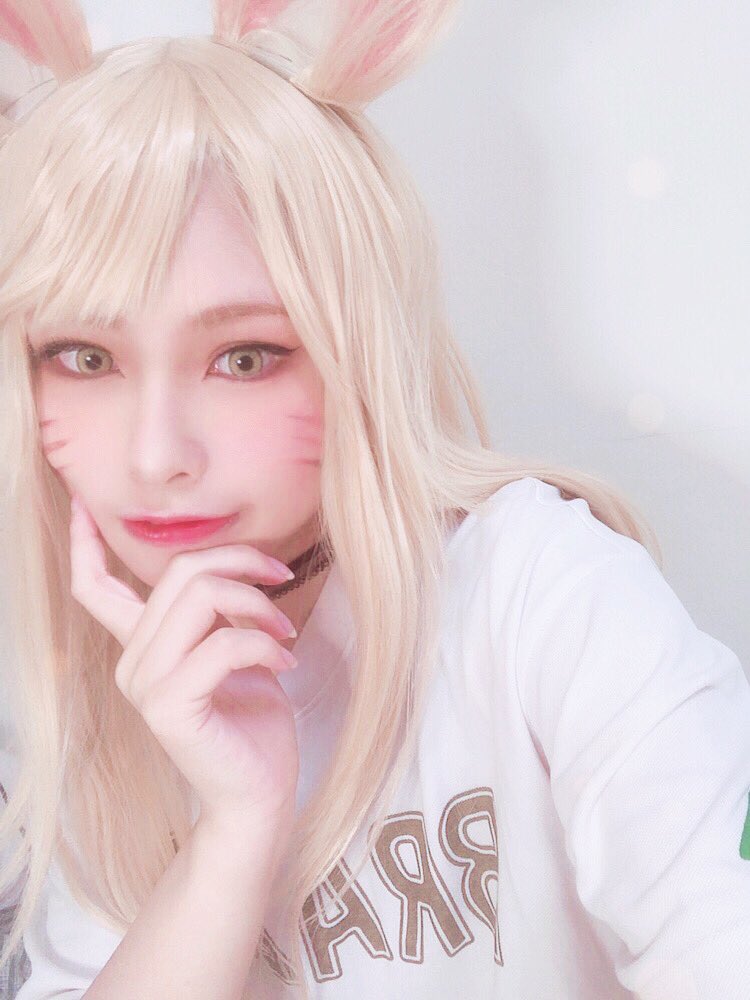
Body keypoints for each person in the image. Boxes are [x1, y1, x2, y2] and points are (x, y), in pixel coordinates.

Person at [0, 2, 749, 998]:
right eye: (85, 358)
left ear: (355, 350)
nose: (157, 454)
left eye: (244, 357)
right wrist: (233, 831)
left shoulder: (544, 594)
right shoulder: (96, 697)